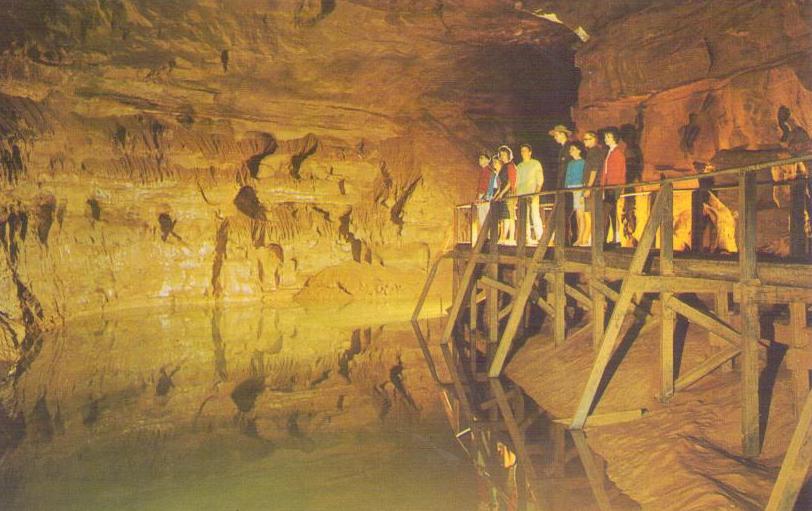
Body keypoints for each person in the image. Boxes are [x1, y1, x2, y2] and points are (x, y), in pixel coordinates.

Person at [601, 127, 626, 245]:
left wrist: (617, 187)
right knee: (611, 213)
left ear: (614, 139)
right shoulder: (610, 152)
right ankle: (615, 238)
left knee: (606, 212)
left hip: (613, 186)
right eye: (605, 137)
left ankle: (603, 239)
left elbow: (620, 172)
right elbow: (605, 171)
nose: (606, 139)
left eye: (608, 137)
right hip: (608, 186)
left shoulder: (617, 153)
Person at [515, 143, 544, 241]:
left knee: (535, 214)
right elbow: (517, 182)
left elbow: (540, 180)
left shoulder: (535, 163)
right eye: (522, 151)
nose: (523, 153)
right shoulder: (519, 166)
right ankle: (526, 237)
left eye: (525, 151)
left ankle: (540, 236)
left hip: (532, 192)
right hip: (522, 194)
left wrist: (536, 193)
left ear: (530, 152)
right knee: (524, 216)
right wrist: (516, 195)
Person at [582, 131, 605, 246]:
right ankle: (587, 238)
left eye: (587, 139)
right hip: (590, 186)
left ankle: (590, 239)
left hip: (592, 187)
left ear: (594, 139)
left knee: (591, 213)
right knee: (588, 213)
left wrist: (589, 187)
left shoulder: (595, 152)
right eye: (584, 139)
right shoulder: (591, 152)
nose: (584, 141)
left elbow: (594, 170)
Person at [566, 142, 587, 246]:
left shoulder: (583, 162)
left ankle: (581, 238)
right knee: (575, 215)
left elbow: (585, 178)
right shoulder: (570, 163)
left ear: (579, 150)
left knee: (580, 215)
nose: (571, 151)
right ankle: (578, 237)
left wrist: (583, 193)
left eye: (573, 149)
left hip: (579, 188)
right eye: (570, 149)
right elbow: (568, 177)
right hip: (571, 190)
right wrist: (566, 190)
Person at [497, 146, 518, 244]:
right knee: (504, 216)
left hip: (509, 193)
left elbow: (510, 182)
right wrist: (498, 194)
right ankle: (503, 237)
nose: (502, 156)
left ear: (509, 155)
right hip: (504, 193)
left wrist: (501, 193)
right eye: (501, 155)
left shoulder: (510, 165)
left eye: (504, 154)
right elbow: (501, 183)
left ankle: (510, 238)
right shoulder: (504, 166)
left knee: (510, 215)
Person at [548, 125, 573, 190]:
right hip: (562, 182)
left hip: (567, 182)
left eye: (556, 135)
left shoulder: (569, 147)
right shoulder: (562, 148)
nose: (555, 138)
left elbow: (568, 165)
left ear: (562, 134)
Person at [474, 153, 492, 239]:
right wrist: (477, 197)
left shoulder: (489, 171)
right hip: (481, 195)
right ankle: (485, 236)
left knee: (486, 215)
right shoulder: (482, 171)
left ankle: (488, 236)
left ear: (488, 160)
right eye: (479, 158)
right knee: (481, 216)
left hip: (486, 195)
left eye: (482, 158)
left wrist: (484, 196)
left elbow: (489, 185)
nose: (480, 160)